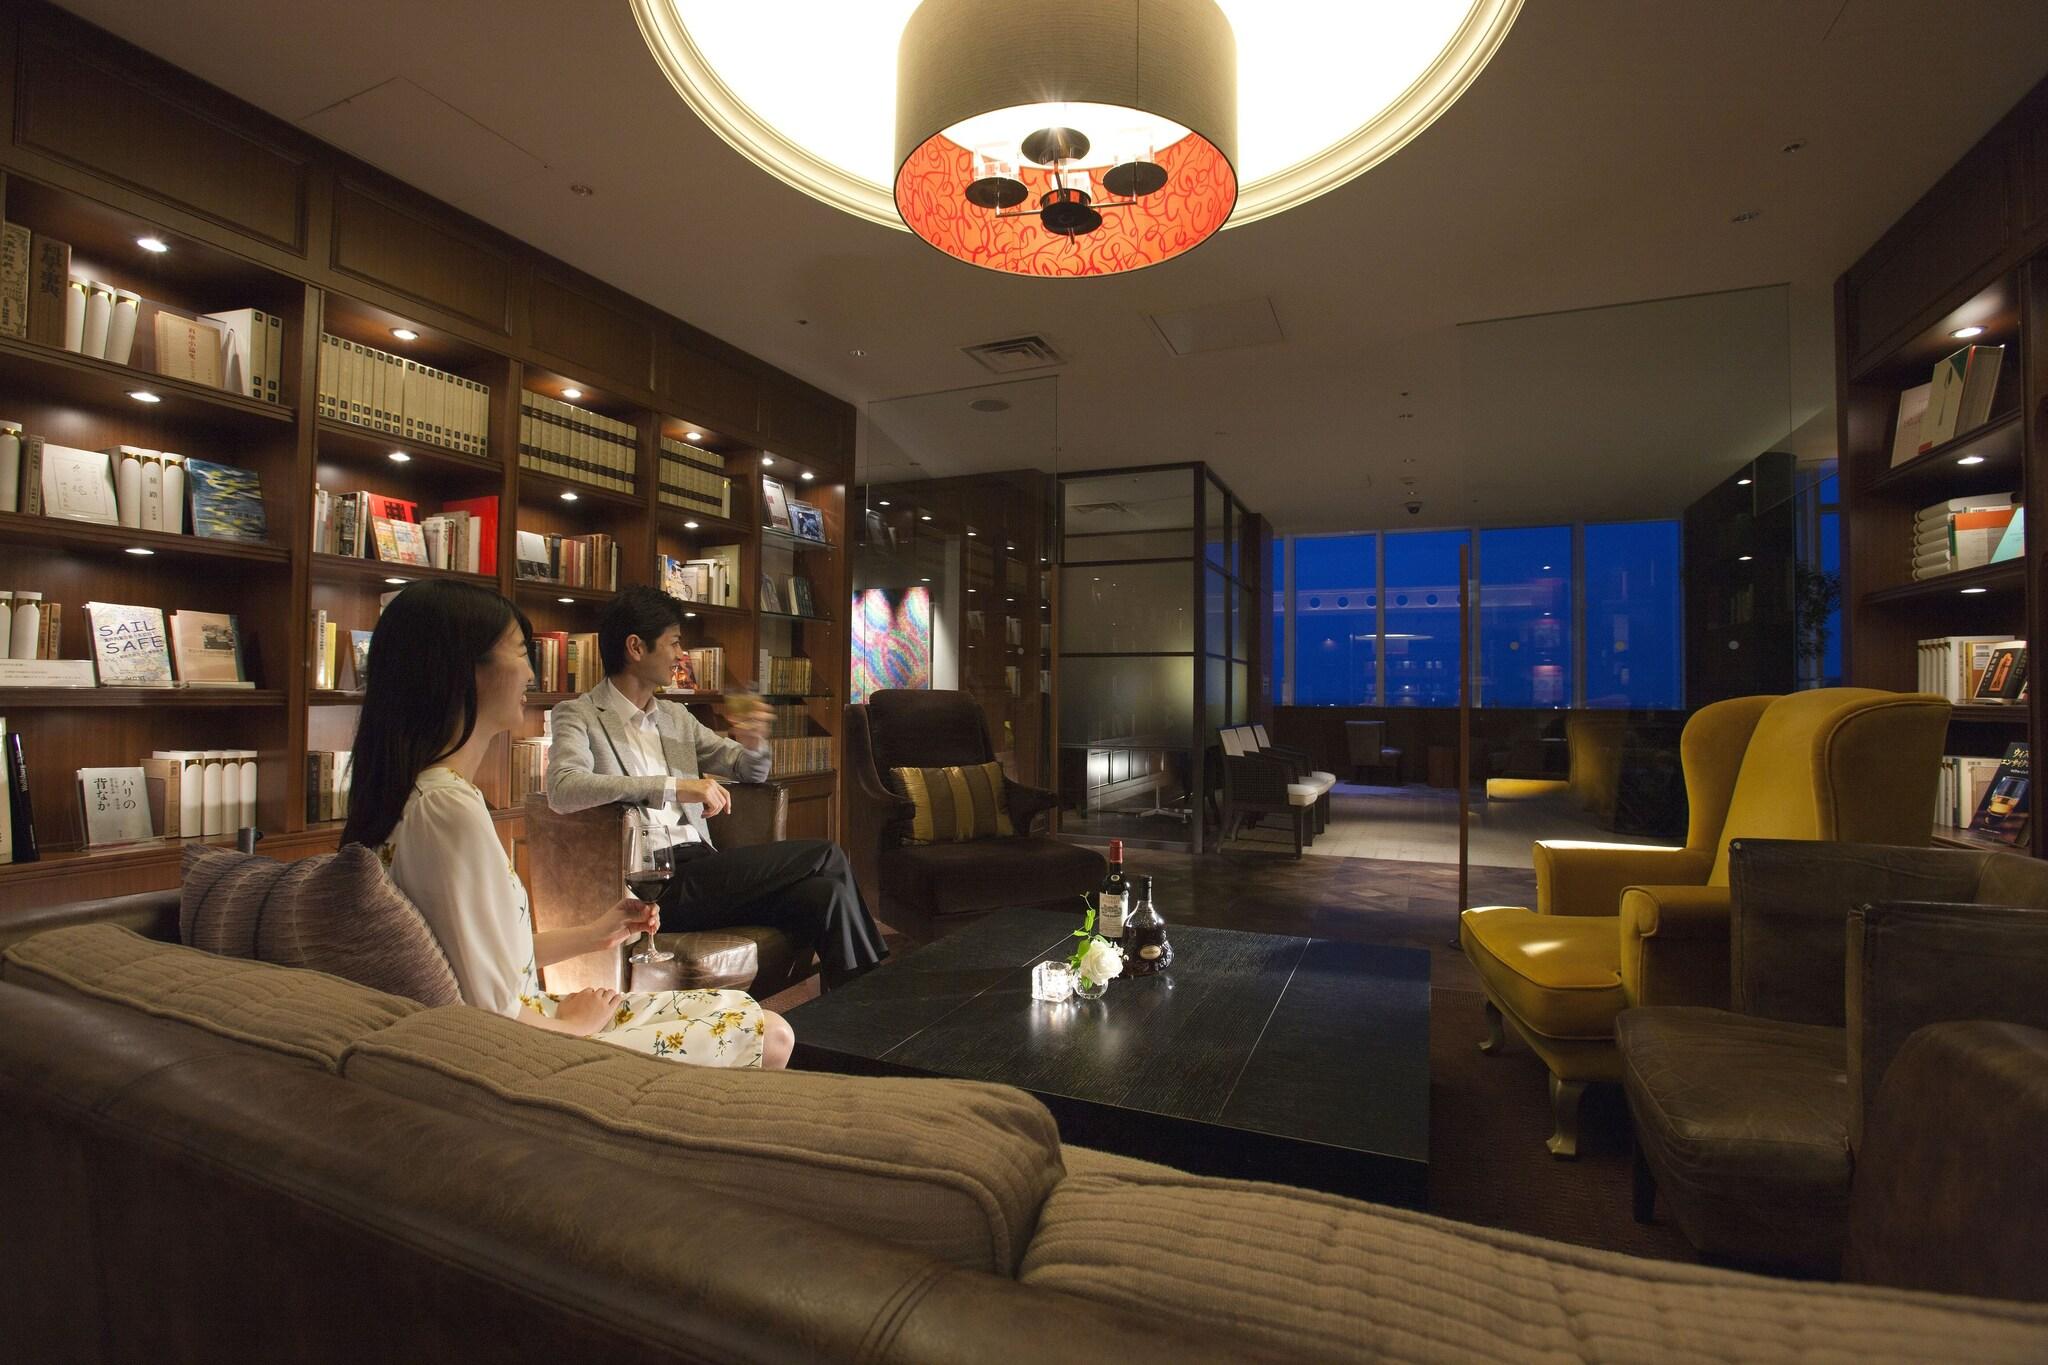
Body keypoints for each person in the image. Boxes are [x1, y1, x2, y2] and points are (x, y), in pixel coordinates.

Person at [341, 579, 792, 1069]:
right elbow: (491, 1014)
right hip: (531, 1043)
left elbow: (491, 960)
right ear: (463, 671)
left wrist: (596, 933)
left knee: (749, 1005)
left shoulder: (433, 796)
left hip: (537, 1019)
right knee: (769, 1032)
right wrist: (575, 1026)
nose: (531, 673)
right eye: (520, 652)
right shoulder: (447, 809)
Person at [546, 585, 888, 988]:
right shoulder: (579, 715)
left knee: (827, 893)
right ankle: (878, 992)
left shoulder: (675, 717)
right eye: (674, 642)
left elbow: (748, 770)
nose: (680, 654)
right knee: (827, 853)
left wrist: (754, 740)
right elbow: (564, 788)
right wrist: (675, 787)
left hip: (701, 870)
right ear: (636, 647)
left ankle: (853, 1005)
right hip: (651, 881)